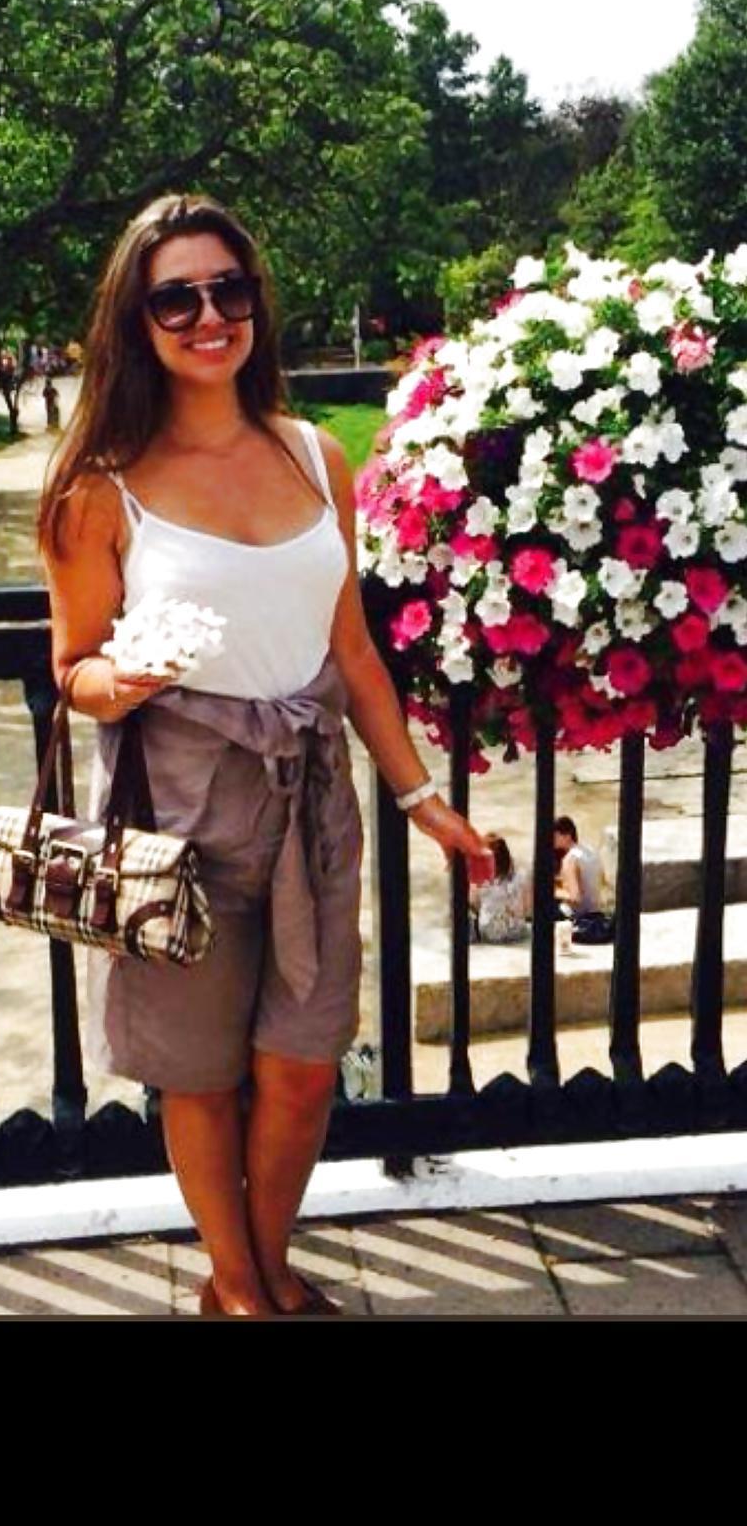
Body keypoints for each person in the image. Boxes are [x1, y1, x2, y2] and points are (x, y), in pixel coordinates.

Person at [37, 192, 494, 1319]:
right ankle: (242, 1284)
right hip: (176, 807)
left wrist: (422, 798)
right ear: (136, 320)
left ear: (255, 302)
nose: (209, 317)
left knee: (302, 1059)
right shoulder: (99, 484)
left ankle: (268, 1255)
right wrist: (119, 682)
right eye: (176, 299)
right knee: (197, 1069)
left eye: (228, 289)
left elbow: (352, 650)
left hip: (309, 801)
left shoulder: (312, 456)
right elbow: (72, 667)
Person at [553, 815, 611, 947]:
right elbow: (602, 882)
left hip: (578, 915)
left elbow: (575, 897)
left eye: (554, 836)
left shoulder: (569, 859)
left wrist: (553, 891)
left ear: (567, 835)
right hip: (595, 911)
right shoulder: (591, 852)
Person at [470, 834, 531, 944]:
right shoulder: (521, 876)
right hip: (517, 932)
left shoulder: (480, 880)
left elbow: (474, 903)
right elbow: (527, 907)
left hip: (488, 933)